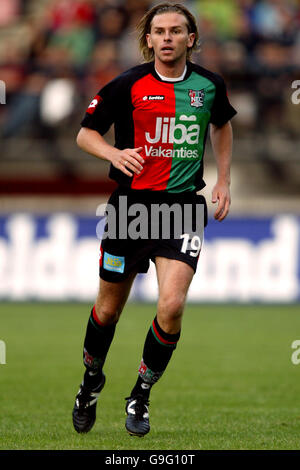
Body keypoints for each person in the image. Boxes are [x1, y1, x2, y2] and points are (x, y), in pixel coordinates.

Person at [72, 2, 236, 437]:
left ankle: (140, 396)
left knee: (173, 305)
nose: (166, 38)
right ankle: (90, 382)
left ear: (191, 38)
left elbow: (221, 125)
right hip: (130, 209)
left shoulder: (209, 86)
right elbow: (85, 132)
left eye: (175, 31)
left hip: (181, 208)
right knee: (107, 312)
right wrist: (112, 153)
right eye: (158, 31)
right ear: (148, 39)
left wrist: (223, 180)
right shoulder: (127, 84)